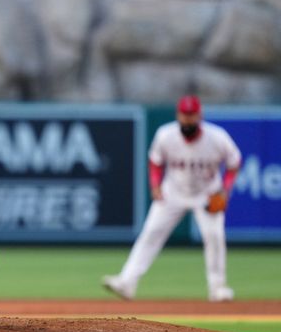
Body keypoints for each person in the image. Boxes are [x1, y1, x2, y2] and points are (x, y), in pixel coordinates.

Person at [103, 95, 241, 302]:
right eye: (184, 114)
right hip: (173, 192)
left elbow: (234, 162)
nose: (187, 119)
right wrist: (156, 185)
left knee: (214, 237)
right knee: (151, 233)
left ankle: (218, 288)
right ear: (178, 115)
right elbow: (155, 161)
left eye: (191, 114)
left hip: (207, 194)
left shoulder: (217, 137)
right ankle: (127, 282)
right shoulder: (166, 135)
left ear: (199, 115)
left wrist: (225, 190)